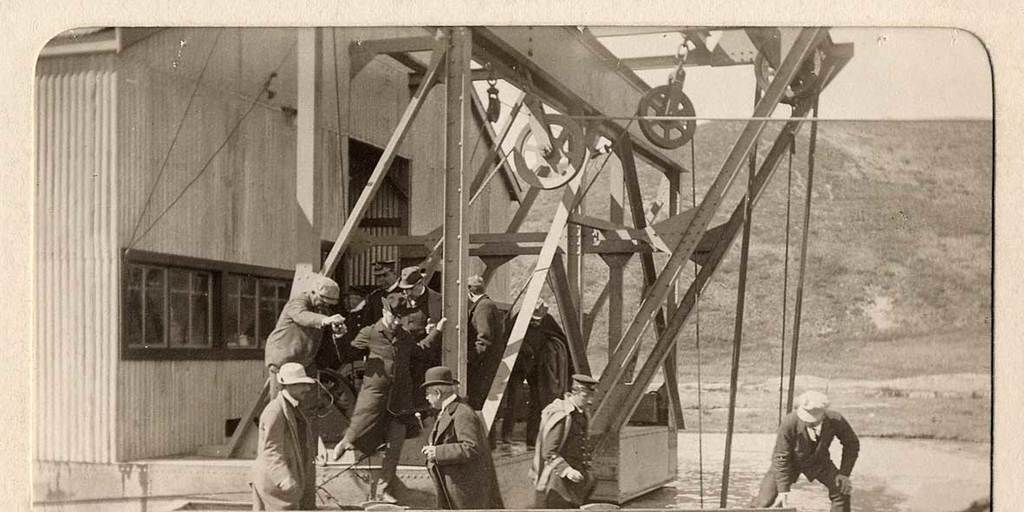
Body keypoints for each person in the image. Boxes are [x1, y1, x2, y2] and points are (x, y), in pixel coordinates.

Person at [330, 292, 442, 503]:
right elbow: (347, 355)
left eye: (401, 317)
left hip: (399, 401)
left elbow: (421, 351)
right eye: (394, 316)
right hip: (374, 397)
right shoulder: (371, 332)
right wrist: (340, 336)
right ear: (384, 312)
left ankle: (384, 489)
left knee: (394, 446)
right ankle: (344, 443)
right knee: (356, 433)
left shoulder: (404, 336)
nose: (398, 321)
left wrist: (436, 332)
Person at [751, 390, 860, 512]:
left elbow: (852, 445)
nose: (808, 421)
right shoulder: (789, 421)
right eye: (806, 416)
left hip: (819, 462)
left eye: (813, 419)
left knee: (842, 491)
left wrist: (844, 473)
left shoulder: (836, 420)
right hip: (789, 463)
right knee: (765, 500)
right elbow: (781, 456)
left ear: (823, 414)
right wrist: (783, 491)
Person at [421, 366, 504, 509]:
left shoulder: (462, 413)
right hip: (457, 490)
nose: (427, 398)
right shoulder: (452, 411)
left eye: (428, 393)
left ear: (438, 393)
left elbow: (471, 447)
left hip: (466, 494)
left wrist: (438, 452)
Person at [264, 275, 347, 397]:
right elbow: (302, 316)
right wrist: (326, 320)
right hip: (284, 359)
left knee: (308, 400)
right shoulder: (297, 302)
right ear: (313, 292)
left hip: (305, 361)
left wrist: (337, 331)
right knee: (282, 400)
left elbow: (323, 329)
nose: (325, 306)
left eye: (329, 304)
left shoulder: (321, 309)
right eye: (323, 301)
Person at [251, 362, 319, 510]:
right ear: (288, 386)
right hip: (276, 486)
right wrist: (284, 480)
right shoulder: (275, 412)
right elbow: (271, 451)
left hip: (289, 482)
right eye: (301, 384)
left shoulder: (293, 407)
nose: (307, 389)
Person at [501, 301, 569, 447]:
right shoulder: (519, 319)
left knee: (538, 400)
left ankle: (532, 438)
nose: (536, 323)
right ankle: (506, 434)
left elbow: (560, 338)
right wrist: (524, 348)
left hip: (538, 367)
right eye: (533, 320)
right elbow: (507, 339)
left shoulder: (548, 320)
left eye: (538, 320)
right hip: (519, 366)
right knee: (515, 398)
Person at [532, 374, 598, 508]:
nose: (590, 401)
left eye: (591, 396)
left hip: (577, 481)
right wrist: (567, 470)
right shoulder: (562, 415)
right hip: (559, 483)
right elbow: (549, 452)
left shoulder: (582, 414)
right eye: (586, 396)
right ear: (575, 393)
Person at [465, 275, 506, 410]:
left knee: (478, 405)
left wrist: (468, 359)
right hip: (484, 365)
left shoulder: (484, 307)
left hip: (482, 368)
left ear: (469, 291)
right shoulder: (485, 305)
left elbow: (484, 339)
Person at [397, 265, 443, 336]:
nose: (407, 293)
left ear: (421, 283)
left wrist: (435, 329)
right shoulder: (398, 300)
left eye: (411, 289)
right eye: (404, 289)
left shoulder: (438, 301)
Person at [361, 260, 400, 327]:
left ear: (394, 273)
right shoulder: (375, 297)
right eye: (378, 276)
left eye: (385, 275)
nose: (381, 279)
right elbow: (367, 323)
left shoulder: (405, 292)